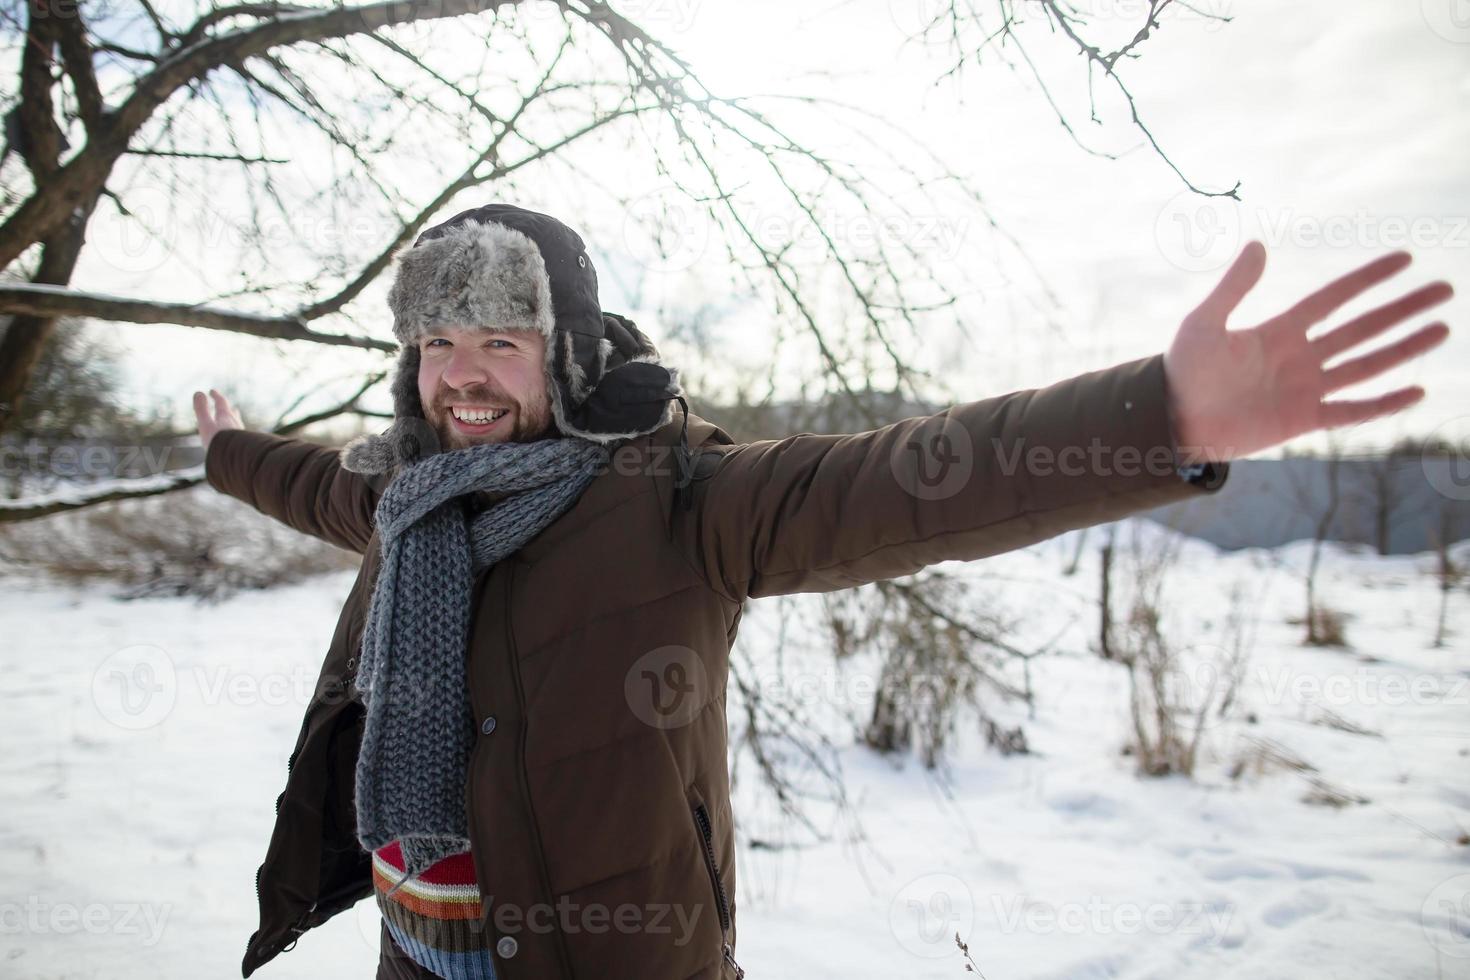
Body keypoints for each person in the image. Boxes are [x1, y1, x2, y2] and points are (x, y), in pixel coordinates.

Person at [192, 203, 1452, 980]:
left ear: (566, 351)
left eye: (499, 341)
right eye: (435, 344)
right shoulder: (406, 493)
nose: (461, 377)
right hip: (413, 948)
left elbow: (898, 481)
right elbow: (311, 484)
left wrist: (1154, 416)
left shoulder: (678, 495)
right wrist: (226, 452)